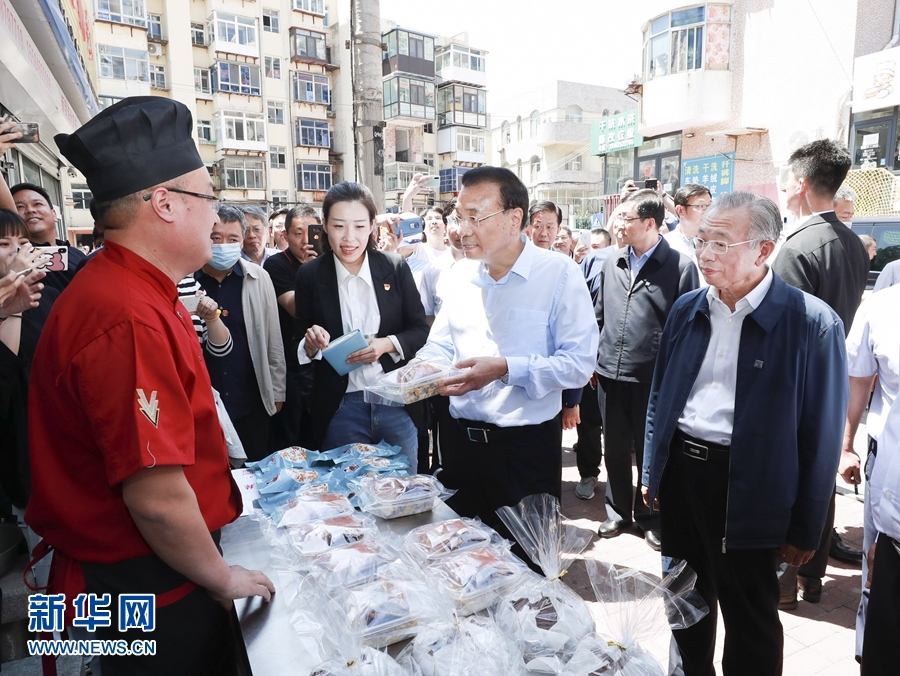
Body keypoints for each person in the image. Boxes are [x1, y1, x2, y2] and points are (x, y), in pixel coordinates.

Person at [26, 97, 275, 675]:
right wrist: (221, 576)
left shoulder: (134, 288)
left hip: (140, 577)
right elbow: (157, 499)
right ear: (164, 203)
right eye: (207, 198)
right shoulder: (127, 314)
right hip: (148, 588)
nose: (216, 218)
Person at [642, 191, 847, 676]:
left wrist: (806, 526)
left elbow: (822, 437)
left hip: (752, 487)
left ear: (763, 250)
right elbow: (660, 396)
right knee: (684, 602)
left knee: (750, 618)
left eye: (721, 243)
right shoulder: (688, 308)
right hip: (683, 476)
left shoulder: (811, 323)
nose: (705, 254)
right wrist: (653, 468)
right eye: (701, 240)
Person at [412, 166, 598, 547]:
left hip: (524, 452)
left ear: (515, 219)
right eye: (459, 217)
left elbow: (578, 364)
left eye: (475, 217)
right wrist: (420, 369)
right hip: (460, 447)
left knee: (526, 564)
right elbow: (441, 344)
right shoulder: (459, 275)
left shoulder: (558, 274)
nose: (463, 230)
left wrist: (505, 369)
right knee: (461, 559)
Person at [775, 138, 869, 606]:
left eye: (784, 182)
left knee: (792, 476)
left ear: (801, 183)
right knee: (820, 475)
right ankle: (811, 577)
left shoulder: (798, 246)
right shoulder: (853, 243)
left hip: (798, 384)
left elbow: (784, 334)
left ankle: (785, 582)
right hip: (836, 380)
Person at [294, 182, 429, 467]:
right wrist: (310, 344)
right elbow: (298, 342)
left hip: (395, 403)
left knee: (401, 487)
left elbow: (419, 330)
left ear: (372, 226)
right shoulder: (310, 275)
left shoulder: (395, 267)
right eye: (338, 226)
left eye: (358, 226)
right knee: (347, 487)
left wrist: (386, 344)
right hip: (340, 408)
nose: (349, 237)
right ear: (325, 226)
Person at [594, 189, 699, 550]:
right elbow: (600, 315)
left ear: (650, 223)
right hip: (610, 372)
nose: (618, 225)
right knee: (615, 447)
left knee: (650, 450)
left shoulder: (681, 267)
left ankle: (651, 515)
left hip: (653, 379)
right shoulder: (612, 261)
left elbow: (687, 330)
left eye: (625, 218)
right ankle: (618, 510)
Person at [195, 204, 285, 461]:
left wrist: (277, 390)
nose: (223, 245)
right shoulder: (188, 279)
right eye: (216, 238)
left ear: (242, 240)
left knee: (254, 471)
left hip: (250, 400)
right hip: (204, 401)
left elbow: (272, 337)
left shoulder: (258, 277)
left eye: (232, 239)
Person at [841, 281, 900, 664]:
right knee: (878, 568)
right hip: (887, 462)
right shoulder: (882, 307)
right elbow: (859, 379)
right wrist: (846, 445)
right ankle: (869, 650)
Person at [0, 210, 53, 517]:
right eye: (3, 243)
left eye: (22, 242)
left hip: (53, 436)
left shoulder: (46, 296)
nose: (16, 251)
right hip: (18, 446)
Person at [264, 204, 319, 449]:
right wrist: (309, 271)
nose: (306, 240)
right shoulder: (276, 265)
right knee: (292, 436)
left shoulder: (331, 262)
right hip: (291, 366)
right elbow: (296, 309)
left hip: (324, 362)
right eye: (298, 233)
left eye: (312, 232)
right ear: (285, 235)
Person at [12, 182, 87, 293]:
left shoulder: (76, 253)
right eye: (20, 207)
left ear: (54, 214)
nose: (30, 210)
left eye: (37, 204)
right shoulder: (16, 259)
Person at [665, 184, 712, 261]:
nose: (707, 211)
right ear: (680, 210)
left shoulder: (718, 244)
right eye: (700, 206)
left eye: (710, 206)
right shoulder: (666, 245)